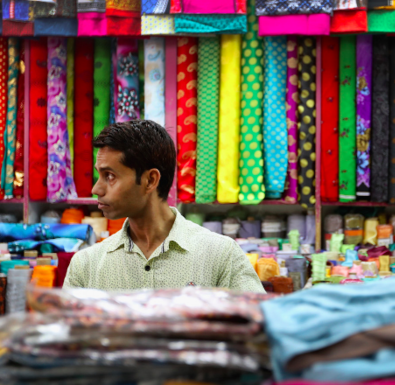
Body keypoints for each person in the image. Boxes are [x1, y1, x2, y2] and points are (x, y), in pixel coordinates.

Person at [63, 120, 265, 292]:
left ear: (150, 180)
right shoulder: (86, 265)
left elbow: (258, 328)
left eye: (110, 176)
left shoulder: (220, 255)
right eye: (100, 175)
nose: (96, 188)